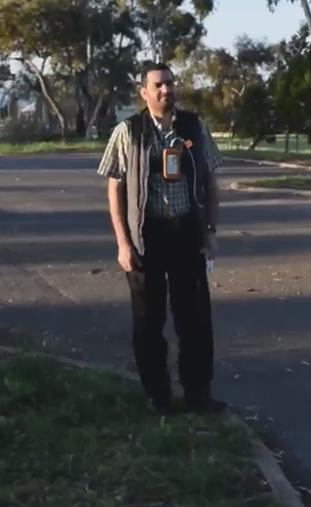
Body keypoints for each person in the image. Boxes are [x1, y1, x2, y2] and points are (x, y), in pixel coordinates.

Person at [96, 62, 226, 415]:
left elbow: (211, 182)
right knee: (148, 322)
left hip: (187, 233)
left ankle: (198, 393)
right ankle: (159, 396)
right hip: (145, 237)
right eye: (158, 85)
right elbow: (115, 189)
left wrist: (211, 232)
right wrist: (123, 243)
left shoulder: (194, 128)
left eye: (169, 83)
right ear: (144, 92)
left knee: (195, 318)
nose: (166, 90)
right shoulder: (128, 132)